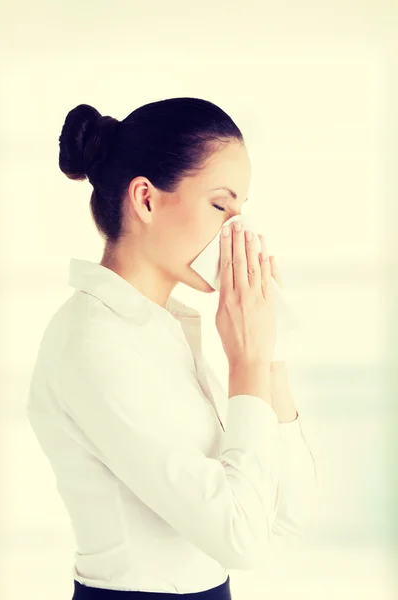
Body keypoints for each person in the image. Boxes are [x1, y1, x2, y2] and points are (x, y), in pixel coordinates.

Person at [26, 97, 318, 599]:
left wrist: (268, 350)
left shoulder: (167, 329)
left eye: (241, 211)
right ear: (145, 199)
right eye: (220, 205)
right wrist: (246, 362)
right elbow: (242, 541)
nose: (236, 231)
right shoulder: (94, 341)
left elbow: (288, 511)